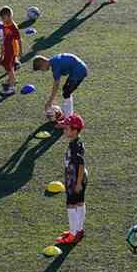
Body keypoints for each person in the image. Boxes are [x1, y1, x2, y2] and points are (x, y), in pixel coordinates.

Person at [54, 113, 88, 246]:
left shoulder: (74, 146)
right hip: (77, 178)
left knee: (71, 205)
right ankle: (78, 230)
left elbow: (81, 163)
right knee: (79, 202)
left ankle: (73, 235)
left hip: (74, 180)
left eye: (67, 128)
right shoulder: (77, 142)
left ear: (74, 131)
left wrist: (78, 183)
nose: (64, 130)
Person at [32, 52, 88, 119]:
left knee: (66, 93)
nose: (42, 70)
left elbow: (56, 85)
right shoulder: (54, 60)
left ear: (43, 62)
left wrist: (50, 101)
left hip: (79, 71)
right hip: (78, 69)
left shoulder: (55, 66)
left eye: (41, 69)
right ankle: (67, 113)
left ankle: (68, 118)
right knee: (66, 90)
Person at [0, 6, 22, 95]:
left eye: (3, 18)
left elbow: (19, 39)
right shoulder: (6, 24)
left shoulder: (13, 27)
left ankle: (12, 87)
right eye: (2, 18)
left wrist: (20, 52)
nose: (2, 20)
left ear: (9, 16)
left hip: (12, 50)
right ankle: (11, 79)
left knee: (9, 66)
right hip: (8, 49)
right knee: (6, 64)